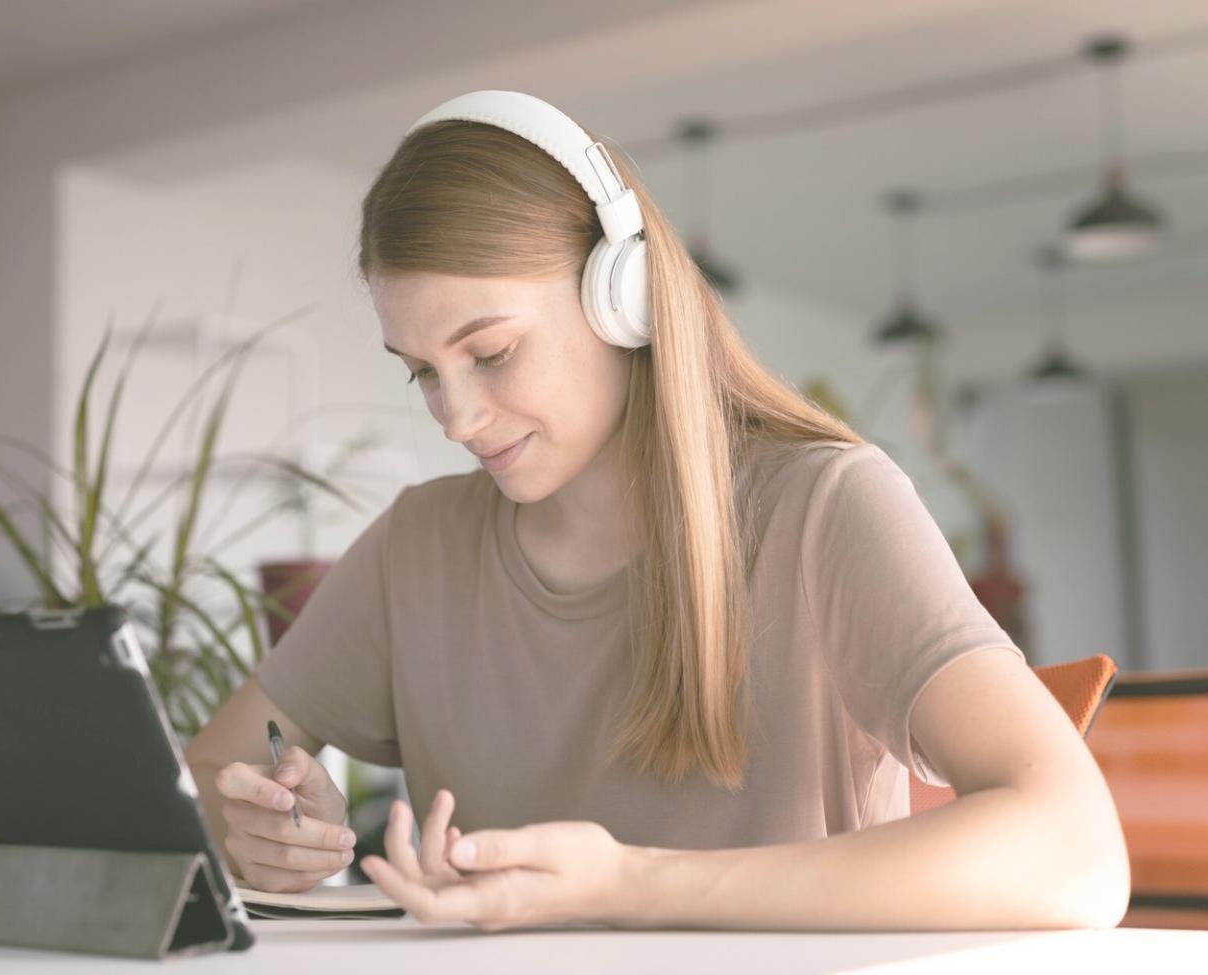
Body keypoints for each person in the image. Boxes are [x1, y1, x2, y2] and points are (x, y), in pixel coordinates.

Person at [184, 90, 1129, 932]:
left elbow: (1077, 853)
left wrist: (624, 883)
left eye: (492, 352)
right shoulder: (416, 545)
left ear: (622, 295)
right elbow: (200, 784)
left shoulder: (825, 507)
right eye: (422, 373)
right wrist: (261, 827)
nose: (456, 418)